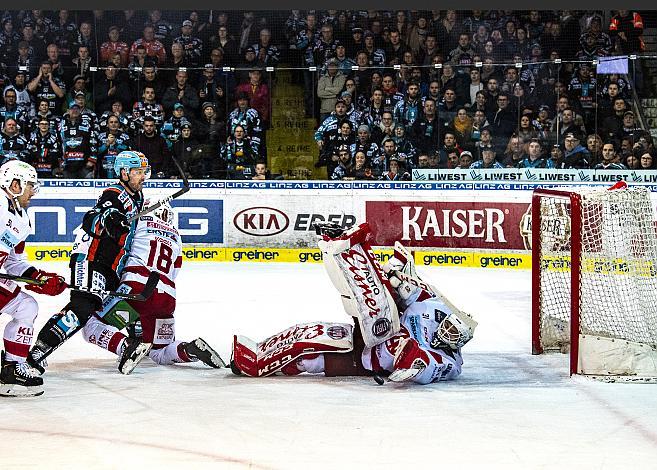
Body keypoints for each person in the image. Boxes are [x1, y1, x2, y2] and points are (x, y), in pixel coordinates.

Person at [231, 223, 477, 385]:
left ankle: (254, 364)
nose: (446, 330)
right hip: (373, 328)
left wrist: (411, 361)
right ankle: (258, 352)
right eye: (449, 325)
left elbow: (426, 368)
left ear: (460, 343)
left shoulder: (452, 364)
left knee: (310, 360)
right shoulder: (432, 310)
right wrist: (395, 274)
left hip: (366, 361)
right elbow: (410, 288)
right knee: (308, 332)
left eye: (453, 333)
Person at [27, 151, 150, 379]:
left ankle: (135, 342)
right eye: (137, 172)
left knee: (122, 300)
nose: (143, 177)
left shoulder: (138, 197)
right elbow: (92, 218)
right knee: (83, 307)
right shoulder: (114, 194)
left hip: (110, 265)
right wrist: (109, 219)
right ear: (124, 173)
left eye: (144, 172)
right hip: (90, 258)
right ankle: (37, 353)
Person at [80, 201, 224, 373]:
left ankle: (125, 346)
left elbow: (119, 253)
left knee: (90, 325)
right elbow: (175, 270)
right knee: (160, 352)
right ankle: (189, 349)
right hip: (166, 298)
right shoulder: (175, 235)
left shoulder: (136, 222)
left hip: (135, 289)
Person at [0, 160, 66, 397]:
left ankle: (12, 369)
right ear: (14, 184)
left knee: (26, 306)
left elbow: (13, 262)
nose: (33, 191)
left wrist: (38, 278)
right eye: (30, 185)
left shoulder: (21, 218)